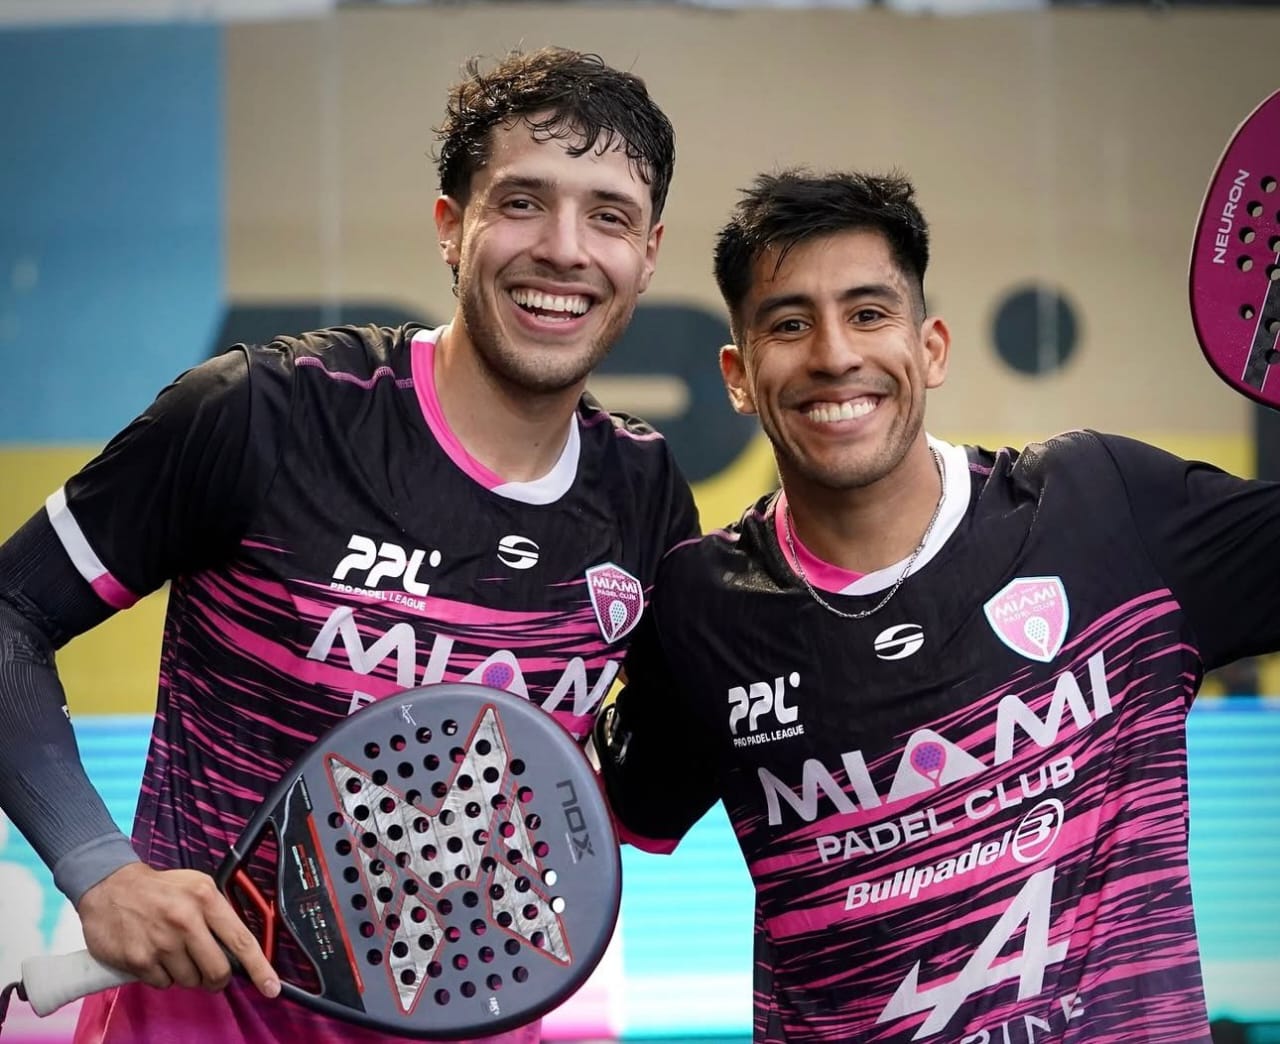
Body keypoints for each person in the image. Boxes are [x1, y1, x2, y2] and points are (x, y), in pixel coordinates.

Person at [0, 46, 697, 1044]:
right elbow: (10, 612)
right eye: (522, 203)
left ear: (648, 252)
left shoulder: (644, 494)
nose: (564, 249)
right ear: (450, 226)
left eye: (609, 217)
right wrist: (97, 867)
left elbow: (644, 791)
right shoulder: (266, 415)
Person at [595, 168, 1279, 1043]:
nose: (834, 354)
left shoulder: (1103, 505)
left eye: (869, 313)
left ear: (932, 348)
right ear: (737, 374)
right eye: (790, 323)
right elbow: (596, 817)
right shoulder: (702, 610)